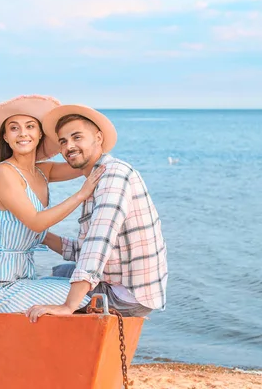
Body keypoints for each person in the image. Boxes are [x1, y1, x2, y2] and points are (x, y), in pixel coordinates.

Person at [0, 95, 106, 313]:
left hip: (21, 278)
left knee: (87, 285)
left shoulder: (43, 171)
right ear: (5, 136)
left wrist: (92, 139)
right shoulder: (3, 173)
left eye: (30, 126)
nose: (23, 133)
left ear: (40, 134)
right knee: (86, 297)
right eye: (14, 128)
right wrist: (81, 195)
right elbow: (36, 223)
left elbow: (86, 161)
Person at [26, 105, 168, 322]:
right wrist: (38, 234)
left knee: (31, 291)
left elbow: (97, 244)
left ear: (98, 138)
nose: (69, 146)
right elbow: (82, 250)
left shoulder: (113, 176)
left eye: (77, 137)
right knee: (60, 272)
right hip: (119, 281)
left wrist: (68, 306)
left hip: (127, 295)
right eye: (63, 141)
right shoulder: (97, 178)